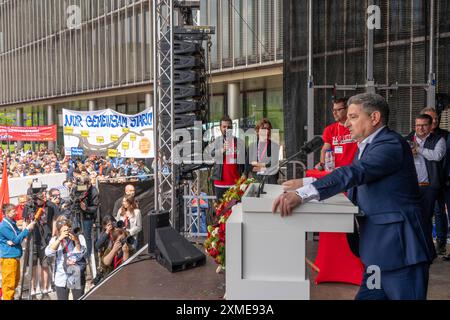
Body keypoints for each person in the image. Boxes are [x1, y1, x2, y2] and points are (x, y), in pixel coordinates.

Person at [273, 93, 435, 300]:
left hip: (401, 252)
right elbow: (355, 178)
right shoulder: (365, 147)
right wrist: (306, 182)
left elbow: (354, 173)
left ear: (374, 118)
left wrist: (303, 194)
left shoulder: (390, 145)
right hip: (376, 255)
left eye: (353, 117)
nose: (347, 123)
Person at [405, 114, 445, 255]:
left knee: (426, 218)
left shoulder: (438, 140)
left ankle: (427, 250)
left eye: (423, 125)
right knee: (411, 218)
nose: (420, 128)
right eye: (417, 125)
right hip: (410, 186)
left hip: (428, 186)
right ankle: (415, 249)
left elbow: (437, 156)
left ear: (430, 126)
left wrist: (419, 149)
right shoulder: (407, 140)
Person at [421, 107, 450, 256]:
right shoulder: (417, 136)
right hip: (426, 182)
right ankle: (426, 243)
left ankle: (441, 242)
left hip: (443, 180)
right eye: (432, 119)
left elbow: (442, 157)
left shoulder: (444, 136)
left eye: (437, 119)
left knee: (441, 212)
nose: (435, 122)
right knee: (427, 212)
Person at [22, 190, 56, 296]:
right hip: (32, 240)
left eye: (45, 194)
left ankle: (45, 289)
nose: (45, 197)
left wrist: (53, 236)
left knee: (45, 265)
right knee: (33, 266)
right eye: (42, 196)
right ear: (36, 197)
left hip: (46, 240)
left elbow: (55, 220)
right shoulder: (29, 206)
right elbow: (25, 220)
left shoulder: (51, 205)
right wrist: (25, 235)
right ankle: (33, 290)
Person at [45, 216, 87, 300]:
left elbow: (81, 254)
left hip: (76, 273)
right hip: (61, 275)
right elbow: (48, 253)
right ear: (59, 230)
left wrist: (76, 240)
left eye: (68, 229)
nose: (66, 232)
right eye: (63, 230)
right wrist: (60, 238)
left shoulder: (78, 237)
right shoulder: (55, 240)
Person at [0, 204, 36, 300]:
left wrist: (22, 231)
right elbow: (16, 240)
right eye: (13, 211)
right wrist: (27, 229)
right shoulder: (4, 226)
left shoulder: (12, 222)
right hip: (9, 259)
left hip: (14, 257)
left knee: (15, 282)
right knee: (9, 286)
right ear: (7, 213)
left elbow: (17, 236)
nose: (16, 212)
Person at [315, 97, 358, 170]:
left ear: (347, 109)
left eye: (338, 110)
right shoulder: (329, 129)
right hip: (334, 171)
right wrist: (323, 164)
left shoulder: (357, 127)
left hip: (353, 170)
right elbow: (325, 149)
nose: (334, 113)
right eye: (333, 110)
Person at [211, 115, 246, 202]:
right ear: (220, 128)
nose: (227, 129)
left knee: (235, 211)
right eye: (224, 127)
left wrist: (245, 174)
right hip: (220, 183)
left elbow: (246, 160)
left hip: (235, 183)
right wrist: (222, 149)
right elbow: (212, 154)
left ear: (232, 128)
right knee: (220, 212)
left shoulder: (239, 142)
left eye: (229, 127)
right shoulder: (217, 141)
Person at [247, 118, 280, 184]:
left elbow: (272, 164)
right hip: (256, 179)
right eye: (264, 129)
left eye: (268, 129)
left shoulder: (274, 145)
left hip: (271, 179)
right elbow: (248, 166)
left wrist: (256, 164)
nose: (267, 131)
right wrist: (263, 166)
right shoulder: (252, 146)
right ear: (258, 130)